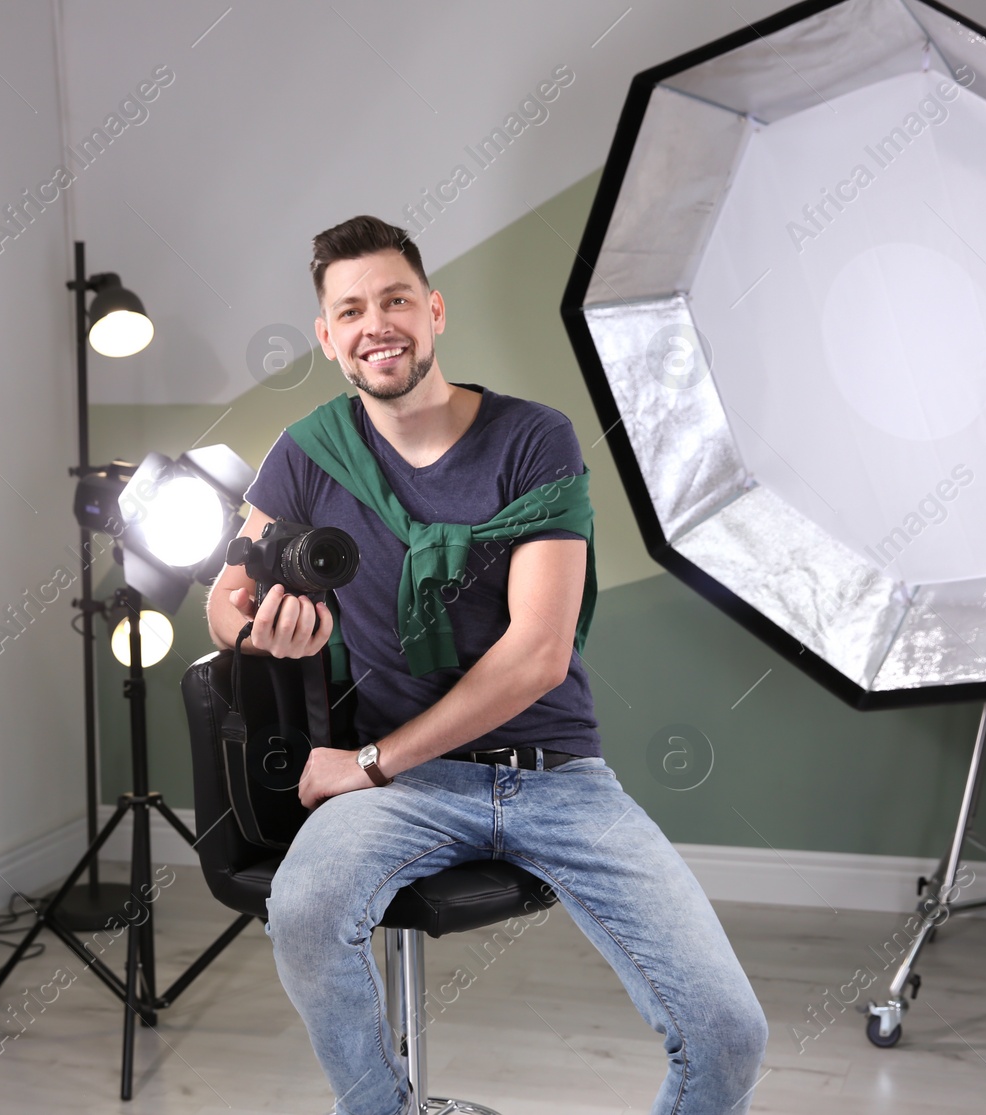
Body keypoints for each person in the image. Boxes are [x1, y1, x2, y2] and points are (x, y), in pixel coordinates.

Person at [205, 215, 767, 1115]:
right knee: (305, 912)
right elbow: (223, 599)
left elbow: (538, 655)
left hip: (554, 779)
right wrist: (259, 631)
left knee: (729, 1035)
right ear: (326, 336)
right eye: (350, 310)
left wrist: (371, 761)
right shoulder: (308, 451)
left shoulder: (531, 438)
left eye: (394, 300)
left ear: (432, 310)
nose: (375, 324)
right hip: (403, 794)